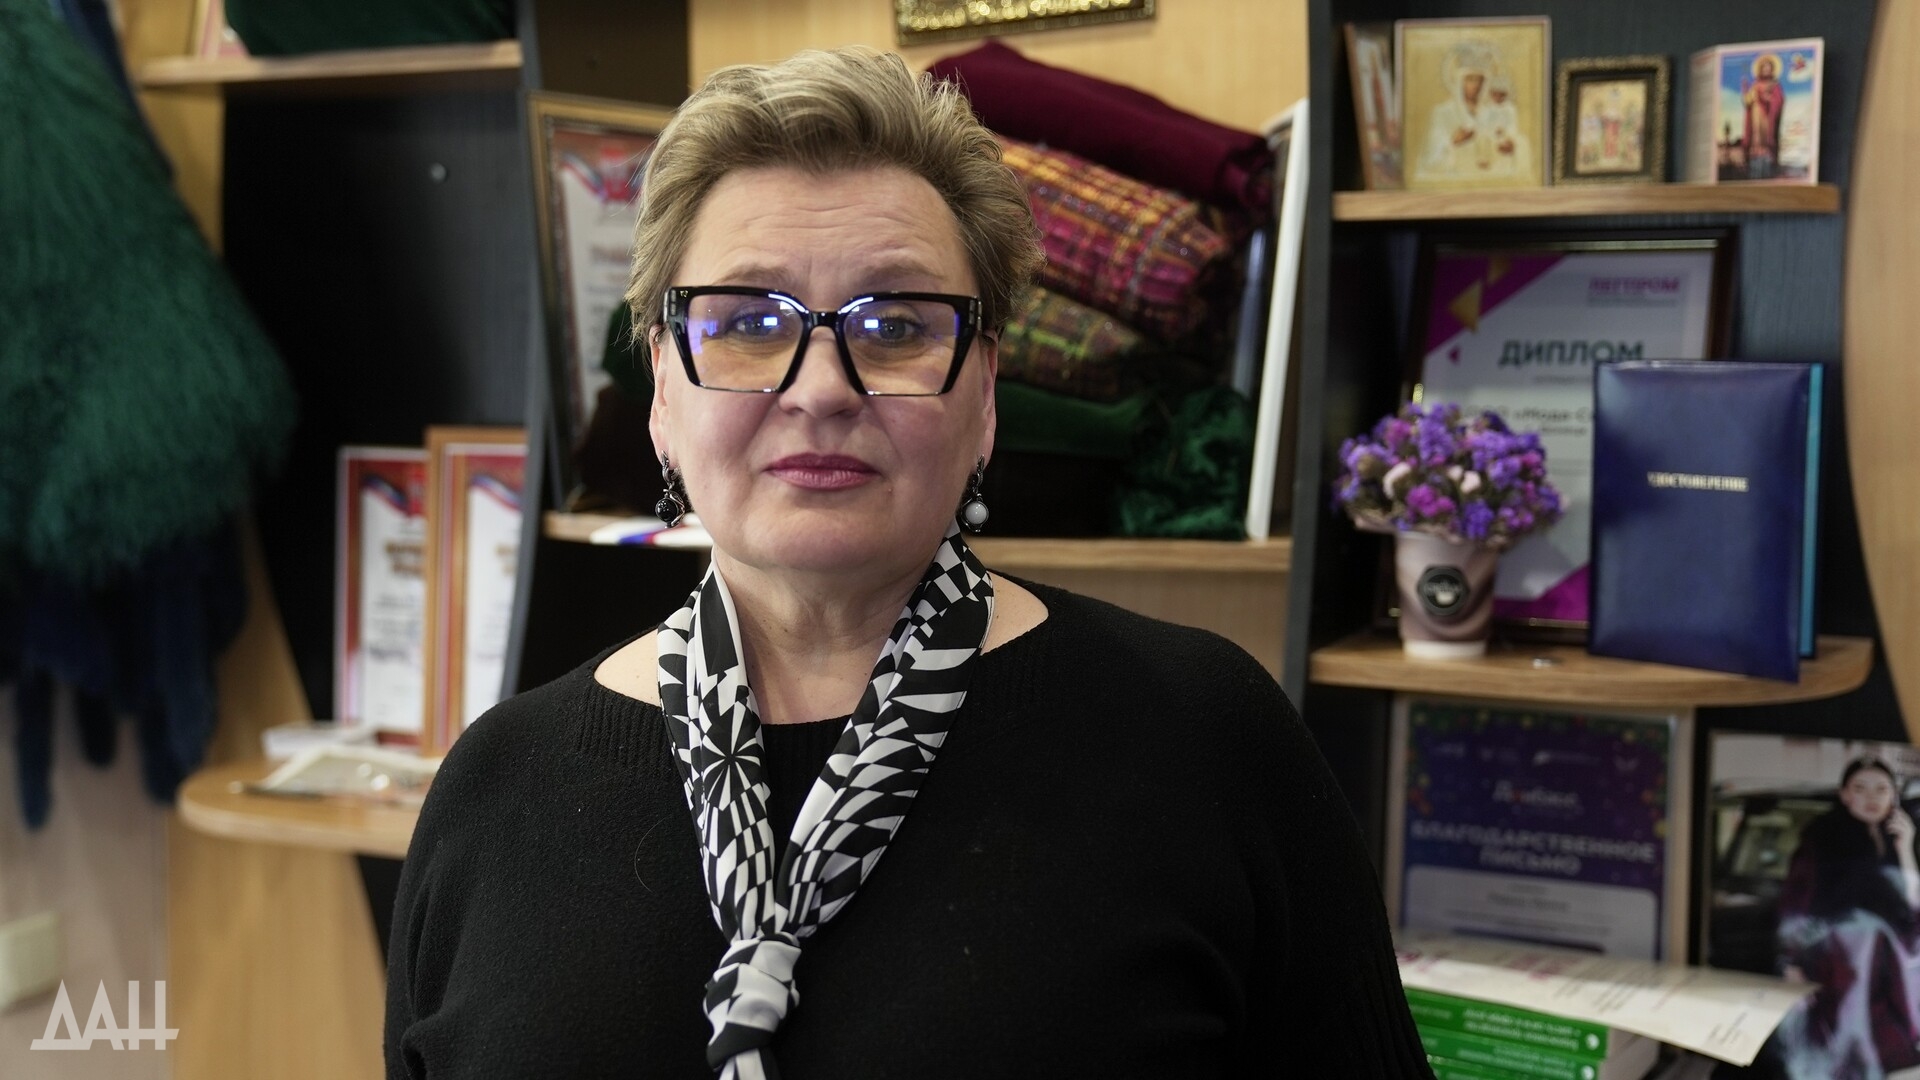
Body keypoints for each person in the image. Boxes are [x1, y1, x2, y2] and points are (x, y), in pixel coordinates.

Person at [384, 46, 1431, 1079]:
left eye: (893, 324)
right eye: (749, 322)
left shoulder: (1207, 740)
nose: (822, 388)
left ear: (985, 394)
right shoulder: (495, 792)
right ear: (662, 387)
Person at [1774, 758, 1920, 1078]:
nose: (1872, 798)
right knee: (1841, 1050)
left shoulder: (1900, 836)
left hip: (1890, 966)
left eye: (1881, 789)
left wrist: (1906, 848)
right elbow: (1796, 904)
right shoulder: (1822, 838)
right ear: (1844, 795)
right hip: (1838, 963)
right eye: (1860, 788)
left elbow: (1914, 907)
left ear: (1893, 796)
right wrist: (1792, 961)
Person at [1742, 53, 1786, 180]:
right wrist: (1745, 90)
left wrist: (1769, 99)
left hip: (1768, 117)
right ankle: (1754, 166)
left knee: (1767, 139)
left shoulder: (1775, 85)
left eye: (1769, 67)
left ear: (1772, 69)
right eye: (1764, 67)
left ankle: (1767, 167)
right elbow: (1748, 101)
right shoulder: (1755, 85)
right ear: (1760, 69)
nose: (1766, 69)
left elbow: (1779, 100)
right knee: (1756, 138)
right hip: (1756, 116)